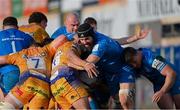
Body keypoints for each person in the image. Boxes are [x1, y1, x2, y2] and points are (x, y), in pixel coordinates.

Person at [66, 23, 149, 109]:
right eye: (82, 40)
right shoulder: (95, 36)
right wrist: (136, 37)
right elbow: (117, 41)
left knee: (125, 98)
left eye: (87, 39)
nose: (84, 42)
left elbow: (87, 64)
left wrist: (71, 63)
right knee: (118, 101)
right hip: (110, 73)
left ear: (92, 35)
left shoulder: (101, 44)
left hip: (123, 69)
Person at [0, 34, 70, 109]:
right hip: (43, 91)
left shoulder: (20, 53)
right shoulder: (46, 50)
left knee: (5, 107)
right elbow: (63, 37)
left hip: (26, 84)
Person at [50, 38, 98, 109]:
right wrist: (85, 66)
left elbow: (67, 62)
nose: (85, 43)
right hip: (66, 79)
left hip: (54, 85)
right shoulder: (73, 45)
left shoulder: (59, 50)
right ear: (78, 41)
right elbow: (70, 58)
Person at [0, 16, 34, 99]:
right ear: (17, 27)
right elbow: (36, 52)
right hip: (26, 73)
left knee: (10, 103)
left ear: (2, 27)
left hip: (8, 73)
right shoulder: (27, 36)